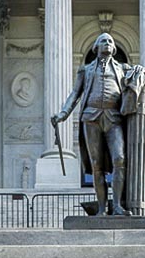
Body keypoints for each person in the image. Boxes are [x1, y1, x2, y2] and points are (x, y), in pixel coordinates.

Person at [52, 32, 134, 215]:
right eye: (103, 41)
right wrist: (63, 114)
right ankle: (102, 208)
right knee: (96, 164)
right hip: (91, 117)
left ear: (114, 48)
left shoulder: (123, 69)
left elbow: (137, 86)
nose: (107, 43)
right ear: (95, 47)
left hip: (114, 117)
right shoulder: (86, 70)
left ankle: (118, 205)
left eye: (110, 41)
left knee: (119, 159)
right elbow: (75, 94)